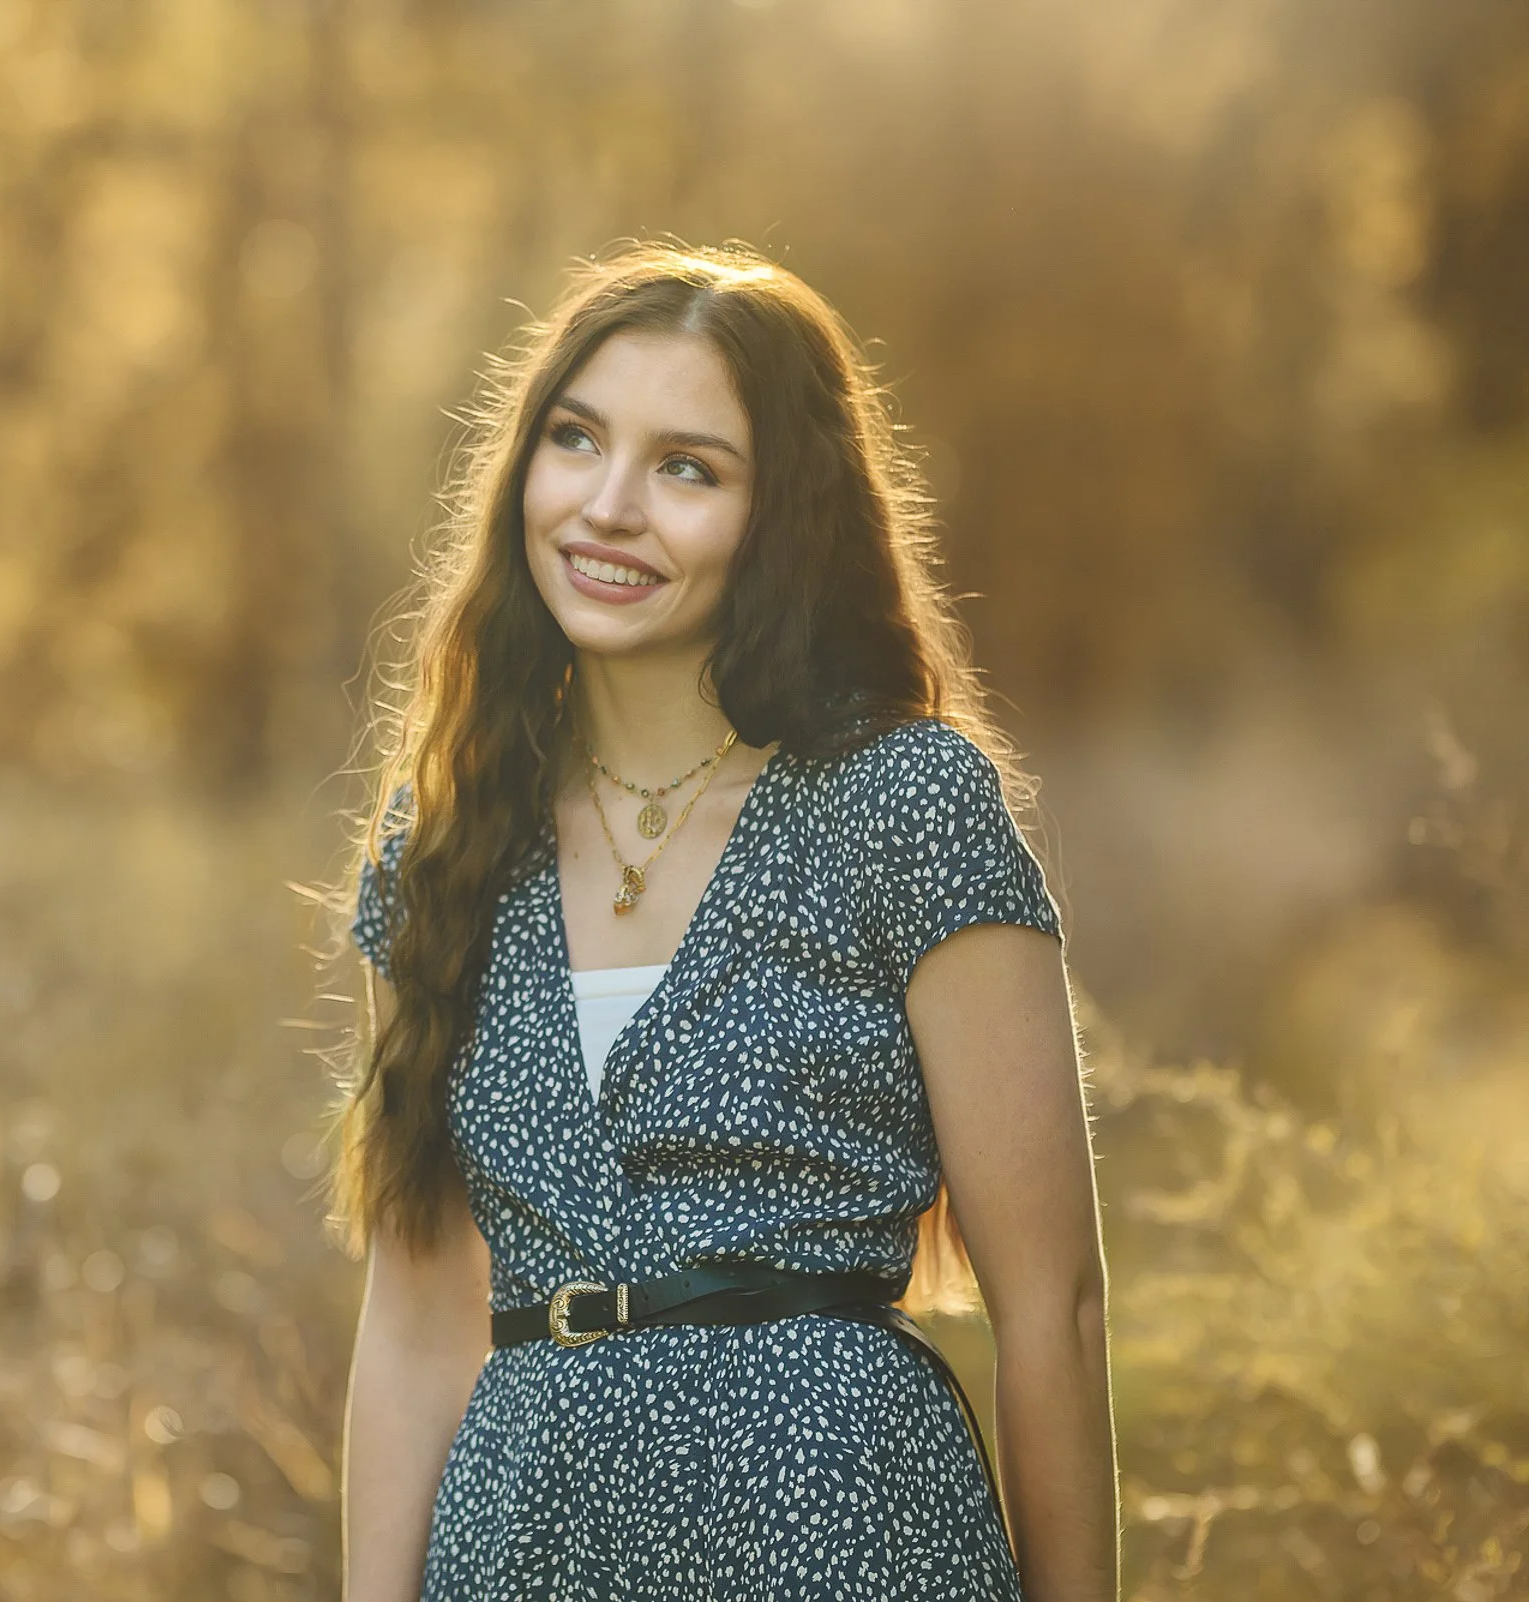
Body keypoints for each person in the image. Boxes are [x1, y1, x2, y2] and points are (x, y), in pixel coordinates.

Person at [329, 242, 1117, 1602]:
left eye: (688, 468)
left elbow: (1052, 1305)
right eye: (577, 441)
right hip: (527, 1545)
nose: (610, 507)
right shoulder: (446, 836)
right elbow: (413, 1321)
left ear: (781, 516)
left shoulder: (902, 801)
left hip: (842, 1528)